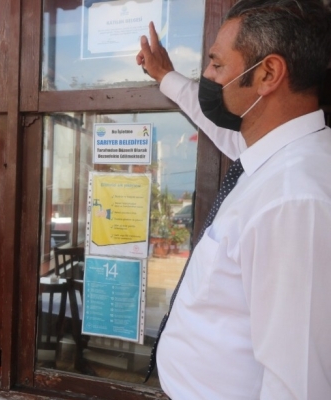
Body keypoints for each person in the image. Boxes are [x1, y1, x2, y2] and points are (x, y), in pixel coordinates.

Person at [136, 0, 331, 398]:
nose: (207, 76)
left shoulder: (294, 200)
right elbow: (220, 128)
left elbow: (298, 385)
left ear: (268, 74)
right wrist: (166, 76)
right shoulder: (271, 156)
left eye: (217, 64)